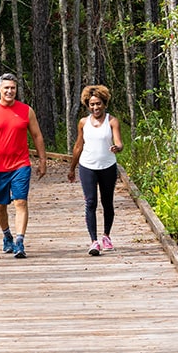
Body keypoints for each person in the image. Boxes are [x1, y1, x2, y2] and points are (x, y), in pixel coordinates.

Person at [0, 73, 48, 259]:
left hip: (20, 164)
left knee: (21, 201)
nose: (9, 91)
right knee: (0, 205)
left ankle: (20, 241)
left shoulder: (26, 110)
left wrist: (43, 160)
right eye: (6, 88)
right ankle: (7, 235)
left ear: (16, 90)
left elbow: (37, 136)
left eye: (13, 88)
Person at [67, 85, 123, 256]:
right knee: (90, 202)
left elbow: (119, 142)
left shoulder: (112, 121)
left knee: (107, 202)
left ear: (104, 103)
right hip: (87, 166)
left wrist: (117, 148)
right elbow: (78, 146)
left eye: (98, 104)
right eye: (91, 104)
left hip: (107, 167)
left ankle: (106, 236)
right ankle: (94, 241)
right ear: (87, 105)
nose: (95, 108)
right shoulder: (83, 123)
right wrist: (72, 168)